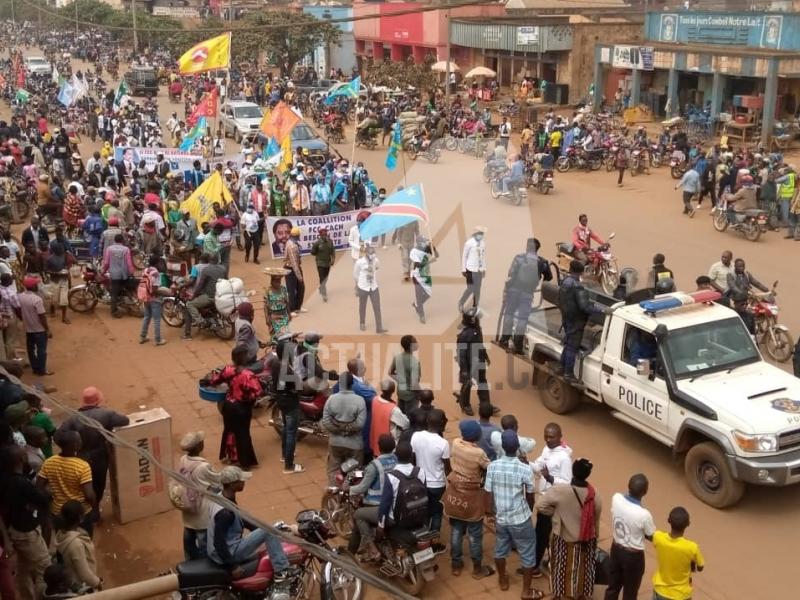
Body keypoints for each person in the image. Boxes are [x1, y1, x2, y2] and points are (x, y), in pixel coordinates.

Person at [483, 430, 542, 600]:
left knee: (500, 550)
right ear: (517, 447)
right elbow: (530, 495)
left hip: (501, 518)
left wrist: (489, 513)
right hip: (520, 518)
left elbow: (488, 493)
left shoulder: (492, 466)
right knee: (528, 552)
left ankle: (502, 580)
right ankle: (526, 591)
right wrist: (528, 511)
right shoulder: (524, 469)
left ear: (502, 446)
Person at [207, 466, 293, 581]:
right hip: (229, 553)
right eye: (240, 481)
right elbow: (219, 543)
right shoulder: (225, 514)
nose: (244, 482)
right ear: (232, 484)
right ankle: (282, 570)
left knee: (266, 530)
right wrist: (233, 566)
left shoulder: (223, 496)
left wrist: (259, 531)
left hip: (224, 548)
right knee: (269, 531)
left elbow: (243, 519)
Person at [536, 457, 602, 600]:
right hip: (586, 540)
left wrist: (555, 513)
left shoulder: (560, 491)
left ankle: (558, 595)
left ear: (573, 471)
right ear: (588, 474)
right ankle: (580, 595)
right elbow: (596, 519)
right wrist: (595, 537)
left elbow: (540, 506)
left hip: (563, 537)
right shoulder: (595, 494)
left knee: (559, 567)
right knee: (584, 569)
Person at [58, 387, 129, 506]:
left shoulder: (73, 418)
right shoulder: (106, 414)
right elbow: (125, 421)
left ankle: (86, 510)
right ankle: (94, 511)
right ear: (98, 400)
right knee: (99, 483)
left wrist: (71, 447)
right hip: (100, 455)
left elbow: (58, 436)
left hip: (80, 456)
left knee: (83, 484)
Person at [0, 444, 52, 600]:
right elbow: (44, 499)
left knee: (24, 569)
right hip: (27, 532)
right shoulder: (21, 483)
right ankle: (45, 597)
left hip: (15, 529)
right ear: (21, 459)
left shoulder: (5, 478)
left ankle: (28, 596)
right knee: (45, 568)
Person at [444, 420, 494, 579]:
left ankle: (456, 565)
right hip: (472, 498)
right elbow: (489, 466)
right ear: (478, 436)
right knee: (475, 534)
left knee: (456, 530)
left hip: (455, 494)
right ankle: (477, 569)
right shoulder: (479, 453)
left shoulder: (456, 443)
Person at [204, 345, 262, 468]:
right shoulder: (248, 375)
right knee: (243, 434)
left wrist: (208, 380)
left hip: (228, 406)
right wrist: (246, 398)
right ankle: (245, 463)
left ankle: (232, 457)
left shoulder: (228, 370)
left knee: (230, 431)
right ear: (243, 358)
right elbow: (257, 393)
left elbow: (215, 380)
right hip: (242, 408)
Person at [604, 474, 656, 600]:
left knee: (612, 587)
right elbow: (651, 535)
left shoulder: (616, 498)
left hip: (616, 549)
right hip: (633, 557)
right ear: (645, 492)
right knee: (630, 593)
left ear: (628, 486)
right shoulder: (644, 514)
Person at [347, 434, 398, 561]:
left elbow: (362, 488)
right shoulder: (397, 459)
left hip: (376, 504)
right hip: (395, 501)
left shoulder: (374, 465)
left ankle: (370, 546)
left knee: (358, 515)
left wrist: (349, 489)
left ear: (379, 447)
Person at [36, 430, 97, 536]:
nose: (81, 441)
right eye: (79, 440)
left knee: (63, 541)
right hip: (79, 513)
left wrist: (52, 496)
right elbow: (89, 495)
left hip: (58, 512)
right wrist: (94, 507)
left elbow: (39, 486)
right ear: (75, 445)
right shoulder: (82, 466)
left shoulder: (49, 462)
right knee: (83, 541)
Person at [177, 431, 222, 560]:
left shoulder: (183, 459)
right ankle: (204, 567)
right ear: (198, 447)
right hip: (201, 509)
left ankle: (189, 562)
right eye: (201, 442)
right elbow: (218, 481)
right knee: (203, 541)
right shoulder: (203, 466)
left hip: (188, 506)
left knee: (188, 536)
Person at [558, 260, 603, 382]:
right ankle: (568, 373)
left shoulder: (565, 282)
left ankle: (561, 367)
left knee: (568, 344)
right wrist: (601, 310)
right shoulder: (577, 286)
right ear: (581, 272)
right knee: (573, 347)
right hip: (576, 321)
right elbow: (585, 307)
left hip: (566, 318)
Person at [499, 238, 545, 355]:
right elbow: (549, 276)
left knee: (509, 313)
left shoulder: (519, 258)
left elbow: (510, 274)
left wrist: (506, 291)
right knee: (522, 319)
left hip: (514, 290)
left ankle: (504, 339)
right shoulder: (541, 262)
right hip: (528, 293)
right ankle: (518, 345)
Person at [410, 411, 450, 543]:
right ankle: (434, 543)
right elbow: (447, 468)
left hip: (421, 482)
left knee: (424, 511)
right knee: (437, 514)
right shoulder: (443, 443)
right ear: (441, 424)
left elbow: (413, 459)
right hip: (437, 485)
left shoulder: (416, 436)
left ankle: (422, 540)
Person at [376, 440, 428, 540]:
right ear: (412, 456)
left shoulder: (391, 477)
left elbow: (385, 503)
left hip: (398, 520)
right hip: (419, 516)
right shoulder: (420, 472)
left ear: (396, 456)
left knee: (360, 514)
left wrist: (380, 526)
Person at [322, 372, 366, 484]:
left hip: (335, 442)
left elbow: (326, 422)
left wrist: (339, 431)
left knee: (333, 470)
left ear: (340, 384)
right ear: (352, 385)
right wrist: (347, 430)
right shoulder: (360, 400)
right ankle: (350, 495)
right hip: (355, 444)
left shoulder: (331, 399)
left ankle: (333, 494)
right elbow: (360, 424)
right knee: (355, 472)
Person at [651, 507, 704, 600]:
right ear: (688, 524)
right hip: (681, 594)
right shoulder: (692, 547)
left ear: (668, 521)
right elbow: (700, 567)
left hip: (660, 590)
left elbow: (651, 536)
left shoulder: (658, 537)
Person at [455, 308, 497, 416]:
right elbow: (462, 354)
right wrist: (464, 370)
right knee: (467, 383)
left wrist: (485, 356)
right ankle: (465, 404)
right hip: (468, 363)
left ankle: (485, 404)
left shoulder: (477, 329)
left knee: (482, 382)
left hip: (479, 360)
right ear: (473, 320)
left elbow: (480, 345)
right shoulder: (463, 335)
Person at [54, 501, 101, 591]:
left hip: (72, 579)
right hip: (82, 586)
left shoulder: (61, 533)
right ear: (81, 518)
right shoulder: (76, 544)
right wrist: (97, 582)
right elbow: (84, 574)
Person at [184, 254, 225, 340]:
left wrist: (194, 296)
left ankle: (201, 322)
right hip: (221, 294)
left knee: (189, 304)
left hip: (210, 296)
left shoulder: (206, 270)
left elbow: (200, 286)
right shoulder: (223, 268)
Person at [19, 277, 52, 376]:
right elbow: (42, 316)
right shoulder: (37, 299)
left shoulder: (20, 297)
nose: (37, 285)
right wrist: (47, 329)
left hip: (28, 329)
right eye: (36, 284)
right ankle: (42, 370)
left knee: (31, 350)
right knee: (42, 351)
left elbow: (18, 310)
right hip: (39, 330)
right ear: (33, 286)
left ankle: (35, 368)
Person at [368, 380, 409, 456]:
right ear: (393, 391)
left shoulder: (375, 400)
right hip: (389, 447)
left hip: (376, 442)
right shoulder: (394, 409)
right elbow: (406, 424)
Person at [353, 243, 387, 333]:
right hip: (363, 287)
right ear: (367, 254)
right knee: (362, 306)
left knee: (377, 307)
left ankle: (379, 327)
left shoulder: (376, 260)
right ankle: (362, 322)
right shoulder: (359, 262)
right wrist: (357, 285)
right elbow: (355, 275)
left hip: (374, 287)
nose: (373, 255)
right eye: (371, 253)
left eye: (374, 253)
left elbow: (377, 268)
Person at [101, 234, 134, 319]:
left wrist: (103, 271)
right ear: (122, 240)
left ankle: (114, 311)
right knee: (125, 288)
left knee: (114, 293)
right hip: (124, 274)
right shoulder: (126, 249)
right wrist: (131, 272)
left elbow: (106, 263)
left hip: (114, 274)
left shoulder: (109, 249)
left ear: (114, 240)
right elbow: (129, 262)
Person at [389, 335, 421, 415]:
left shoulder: (397, 357)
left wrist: (401, 380)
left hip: (400, 392)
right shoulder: (414, 362)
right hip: (411, 396)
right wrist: (421, 394)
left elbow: (390, 372)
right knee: (410, 419)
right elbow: (414, 384)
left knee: (401, 417)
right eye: (415, 341)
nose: (417, 343)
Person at [139, 255, 166, 346]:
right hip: (154, 298)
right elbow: (155, 288)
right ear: (157, 263)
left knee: (147, 316)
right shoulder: (156, 273)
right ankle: (158, 339)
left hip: (145, 297)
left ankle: (143, 336)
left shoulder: (145, 270)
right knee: (157, 319)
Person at [409, 237, 438, 323]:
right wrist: (430, 262)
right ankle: (422, 315)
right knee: (418, 295)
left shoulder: (427, 248)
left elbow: (437, 255)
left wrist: (433, 247)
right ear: (419, 243)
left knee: (428, 294)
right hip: (417, 276)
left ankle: (417, 304)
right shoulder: (414, 252)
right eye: (424, 242)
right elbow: (418, 265)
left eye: (425, 242)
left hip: (426, 275)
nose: (425, 243)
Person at [458, 226, 487, 311]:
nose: (481, 235)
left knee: (478, 289)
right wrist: (463, 269)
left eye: (482, 234)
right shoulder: (469, 243)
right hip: (470, 269)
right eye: (480, 233)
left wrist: (484, 268)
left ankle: (475, 305)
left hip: (479, 270)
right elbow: (464, 256)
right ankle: (461, 302)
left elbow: (483, 256)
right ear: (475, 234)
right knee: (470, 288)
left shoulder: (482, 243)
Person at [263, 268, 291, 340]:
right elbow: (265, 306)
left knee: (285, 336)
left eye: (279, 281)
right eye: (276, 281)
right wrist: (267, 318)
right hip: (273, 318)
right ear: (272, 281)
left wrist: (289, 314)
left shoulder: (283, 289)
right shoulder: (268, 291)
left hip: (284, 316)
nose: (279, 283)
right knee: (275, 338)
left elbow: (287, 302)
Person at [283, 227, 305, 316]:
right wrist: (299, 276)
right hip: (291, 269)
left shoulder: (293, 242)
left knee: (301, 288)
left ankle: (298, 307)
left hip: (295, 267)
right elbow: (294, 262)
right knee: (291, 290)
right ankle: (291, 309)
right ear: (297, 235)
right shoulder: (292, 246)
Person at [234, 302, 262, 368]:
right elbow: (242, 343)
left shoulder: (239, 320)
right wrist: (242, 358)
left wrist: (258, 342)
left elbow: (249, 337)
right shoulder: (246, 327)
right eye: (252, 311)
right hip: (249, 356)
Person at [310, 227, 335, 302]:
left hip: (328, 263)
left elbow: (333, 251)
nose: (325, 235)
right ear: (320, 235)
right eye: (323, 234)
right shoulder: (317, 243)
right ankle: (324, 294)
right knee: (322, 278)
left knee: (326, 278)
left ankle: (321, 287)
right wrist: (318, 254)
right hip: (320, 263)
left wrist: (333, 259)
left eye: (326, 234)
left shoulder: (330, 241)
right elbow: (313, 252)